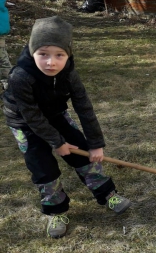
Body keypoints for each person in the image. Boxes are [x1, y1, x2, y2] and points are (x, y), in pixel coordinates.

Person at [2, 16, 131, 238]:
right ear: (32, 52)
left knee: (82, 153)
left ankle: (107, 194)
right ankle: (56, 211)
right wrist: (57, 142)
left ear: (68, 54)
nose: (51, 62)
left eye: (59, 55)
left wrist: (96, 144)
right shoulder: (20, 76)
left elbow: (84, 107)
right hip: (24, 123)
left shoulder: (69, 74)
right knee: (43, 167)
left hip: (55, 114)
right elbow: (32, 116)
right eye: (43, 54)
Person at [0, 0, 12, 90]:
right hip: (1, 29)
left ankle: (9, 82)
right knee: (2, 56)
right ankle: (7, 81)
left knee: (2, 58)